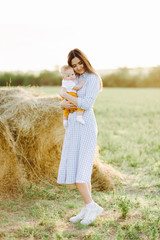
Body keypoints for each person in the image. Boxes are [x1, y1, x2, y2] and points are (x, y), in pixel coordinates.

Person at [57, 48, 103, 225]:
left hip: (86, 126)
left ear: (85, 60)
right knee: (80, 170)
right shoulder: (74, 78)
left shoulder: (92, 78)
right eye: (74, 65)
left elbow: (85, 103)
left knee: (80, 173)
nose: (77, 68)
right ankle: (87, 207)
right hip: (74, 127)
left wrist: (66, 97)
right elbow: (63, 102)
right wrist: (63, 100)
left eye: (80, 63)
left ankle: (92, 207)